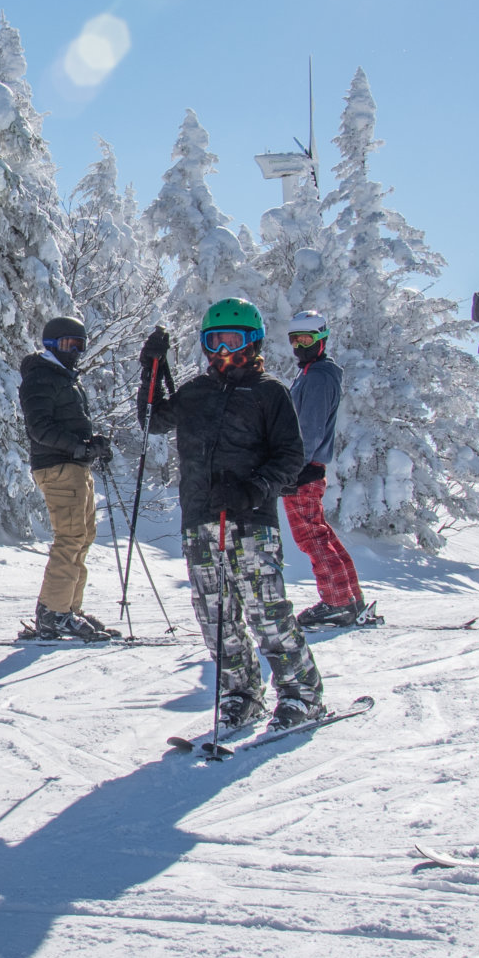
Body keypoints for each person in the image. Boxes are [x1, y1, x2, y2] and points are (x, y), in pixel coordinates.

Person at [140, 301, 326, 736]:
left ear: (253, 343)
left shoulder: (269, 393)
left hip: (251, 520)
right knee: (215, 616)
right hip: (200, 519)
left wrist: (251, 488)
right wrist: (151, 367)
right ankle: (240, 694)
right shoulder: (193, 392)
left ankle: (303, 694)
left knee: (266, 612)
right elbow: (152, 419)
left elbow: (290, 457)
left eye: (234, 340)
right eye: (215, 341)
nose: (224, 350)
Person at [17, 315, 118, 640]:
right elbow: (40, 428)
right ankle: (54, 613)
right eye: (67, 344)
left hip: (75, 466)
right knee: (71, 537)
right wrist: (78, 447)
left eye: (79, 345)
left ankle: (68, 609)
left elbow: (69, 426)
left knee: (84, 537)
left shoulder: (64, 378)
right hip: (57, 467)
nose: (74, 351)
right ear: (50, 344)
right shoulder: (40, 378)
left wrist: (92, 445)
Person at [281, 311, 370, 627]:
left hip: (303, 470)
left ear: (321, 338)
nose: (299, 345)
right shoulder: (311, 373)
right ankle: (349, 598)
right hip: (306, 467)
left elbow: (310, 427)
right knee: (319, 533)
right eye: (295, 339)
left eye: (306, 339)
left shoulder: (318, 375)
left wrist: (292, 466)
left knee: (310, 537)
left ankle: (336, 602)